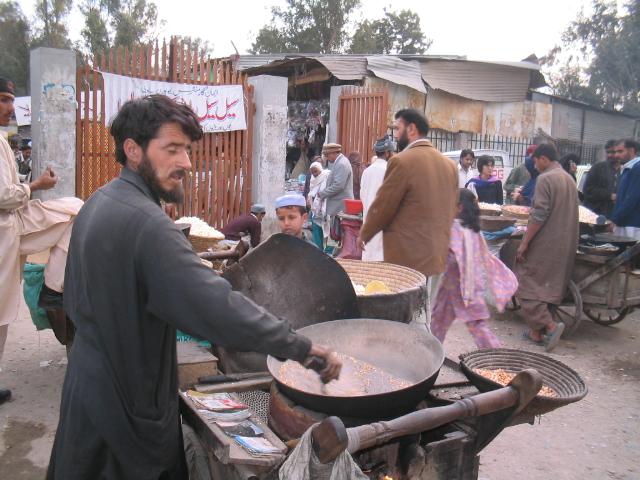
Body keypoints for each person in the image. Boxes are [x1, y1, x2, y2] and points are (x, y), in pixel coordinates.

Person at [46, 95, 340, 479]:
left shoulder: (99, 201)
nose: (186, 162)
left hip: (87, 387)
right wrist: (304, 347)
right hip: (127, 409)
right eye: (172, 149)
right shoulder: (147, 225)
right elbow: (216, 307)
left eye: (187, 149)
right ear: (133, 150)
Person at [0, 77, 83, 406]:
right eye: (4, 100)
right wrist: (35, 186)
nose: (10, 108)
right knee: (2, 310)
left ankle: (55, 285)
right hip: (7, 225)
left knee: (76, 208)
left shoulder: (4, 141)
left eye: (10, 100)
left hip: (15, 220)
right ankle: (53, 288)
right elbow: (5, 196)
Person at [357, 108, 458, 280]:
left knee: (407, 305)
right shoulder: (449, 165)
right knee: (427, 305)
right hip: (438, 254)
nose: (396, 135)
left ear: (411, 129)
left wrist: (365, 234)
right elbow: (452, 208)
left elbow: (384, 205)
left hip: (409, 257)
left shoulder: (401, 161)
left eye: (398, 129)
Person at [431, 189, 517, 348]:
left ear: (459, 208)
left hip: (464, 290)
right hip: (453, 289)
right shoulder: (472, 229)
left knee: (477, 328)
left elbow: (450, 258)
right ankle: (430, 354)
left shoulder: (455, 229)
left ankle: (499, 358)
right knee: (437, 322)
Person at [515, 143, 579, 352]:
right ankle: (536, 333)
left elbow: (539, 214)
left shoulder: (546, 178)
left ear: (543, 159)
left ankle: (550, 325)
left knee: (525, 282)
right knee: (549, 286)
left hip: (546, 241)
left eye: (534, 161)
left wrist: (524, 243)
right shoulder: (568, 178)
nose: (534, 165)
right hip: (566, 241)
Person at [360, 134, 395, 262]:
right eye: (392, 152)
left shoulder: (367, 171)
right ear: (387, 153)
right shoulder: (389, 171)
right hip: (383, 223)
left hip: (368, 220)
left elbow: (362, 195)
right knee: (381, 260)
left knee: (370, 257)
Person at [317, 143, 353, 243]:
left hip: (340, 206)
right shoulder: (340, 162)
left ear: (333, 153)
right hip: (339, 205)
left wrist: (323, 193)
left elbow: (339, 185)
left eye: (328, 156)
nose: (327, 159)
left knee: (339, 235)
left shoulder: (341, 164)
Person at [609, 138, 640, 242]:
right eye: (615, 151)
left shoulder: (638, 168)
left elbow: (631, 198)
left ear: (631, 151)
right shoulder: (628, 168)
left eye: (620, 151)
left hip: (633, 226)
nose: (616, 155)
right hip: (625, 224)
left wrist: (615, 220)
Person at [583, 140, 621, 219]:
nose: (610, 155)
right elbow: (587, 189)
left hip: (616, 216)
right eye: (607, 152)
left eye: (613, 152)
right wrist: (609, 195)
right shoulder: (598, 168)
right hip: (596, 215)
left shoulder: (625, 170)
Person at [307, 161, 331, 249]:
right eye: (312, 172)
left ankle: (329, 251)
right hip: (316, 209)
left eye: (316, 171)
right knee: (317, 228)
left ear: (320, 169)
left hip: (327, 206)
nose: (314, 174)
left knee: (328, 228)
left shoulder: (327, 176)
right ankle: (318, 249)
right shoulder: (313, 179)